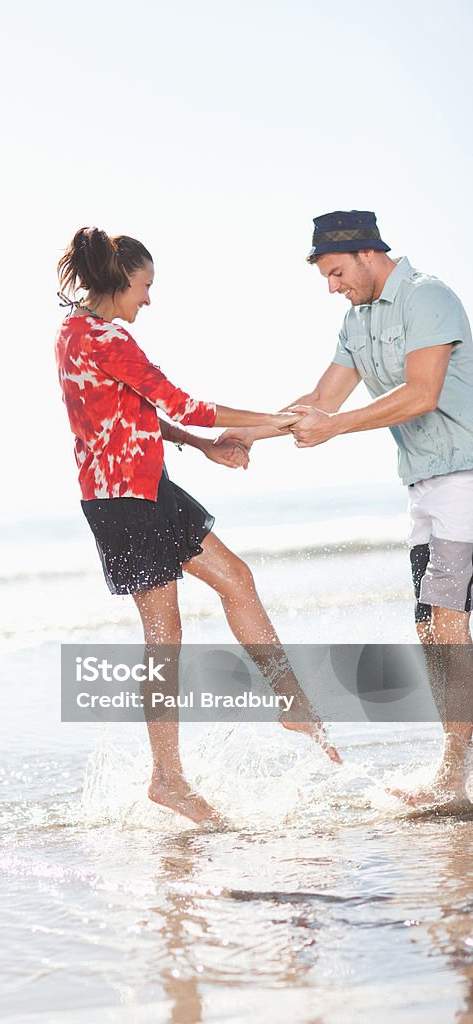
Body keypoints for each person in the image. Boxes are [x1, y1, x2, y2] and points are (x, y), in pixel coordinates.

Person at [55, 226, 341, 829]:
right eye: (144, 287)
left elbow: (132, 414)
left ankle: (289, 700)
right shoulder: (101, 338)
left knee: (236, 577)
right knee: (165, 635)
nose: (148, 300)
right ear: (116, 281)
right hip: (121, 497)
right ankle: (169, 781)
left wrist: (202, 448)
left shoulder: (84, 334)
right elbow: (180, 402)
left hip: (146, 484)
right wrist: (276, 418)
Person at [220, 210, 473, 810]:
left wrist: (335, 429)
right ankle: (455, 773)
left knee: (445, 626)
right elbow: (321, 399)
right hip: (424, 490)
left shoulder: (427, 296)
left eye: (335, 272)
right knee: (429, 629)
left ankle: (451, 779)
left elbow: (422, 392)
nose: (332, 286)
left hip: (467, 480)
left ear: (366, 253)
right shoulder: (356, 322)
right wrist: (250, 434)